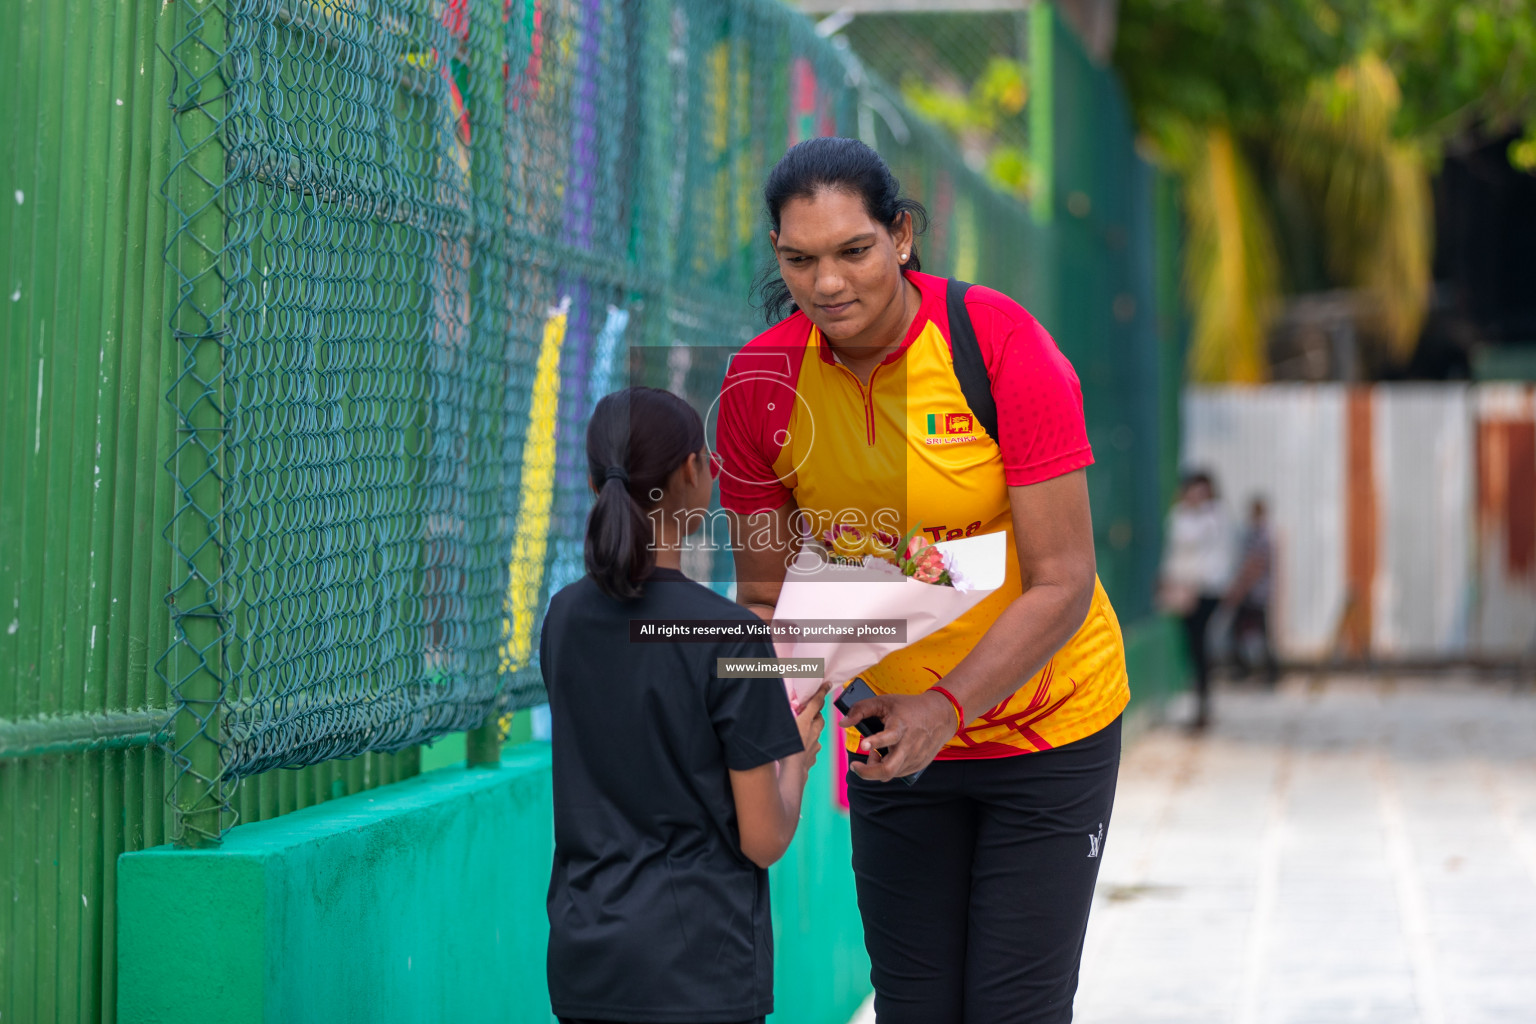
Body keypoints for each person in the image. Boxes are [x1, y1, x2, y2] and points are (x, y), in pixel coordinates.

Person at [716, 137, 1128, 1024]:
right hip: (888, 742)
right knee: (916, 1007)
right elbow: (768, 601)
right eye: (800, 260)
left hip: (1048, 731)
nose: (827, 284)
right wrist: (763, 716)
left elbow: (1063, 578)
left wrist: (942, 707)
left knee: (1013, 1010)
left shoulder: (998, 343)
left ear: (901, 236)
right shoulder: (760, 386)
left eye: (853, 251)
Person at [541, 387, 830, 1024]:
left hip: (586, 963)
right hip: (701, 972)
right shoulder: (727, 633)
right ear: (693, 473)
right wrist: (799, 762)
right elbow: (763, 839)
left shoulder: (563, 619)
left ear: (596, 484)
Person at [1157, 470, 1234, 730]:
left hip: (1206, 589)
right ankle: (1200, 704)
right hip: (1184, 588)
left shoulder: (1214, 515)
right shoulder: (1179, 515)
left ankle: (1204, 706)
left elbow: (1201, 546)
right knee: (1192, 646)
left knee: (1200, 645)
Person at [1226, 496, 1279, 685]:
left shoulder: (1263, 536)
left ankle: (1270, 670)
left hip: (1256, 593)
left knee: (1259, 633)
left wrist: (1239, 589)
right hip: (1252, 593)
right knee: (1240, 631)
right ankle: (1246, 668)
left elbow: (1255, 565)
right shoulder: (1253, 534)